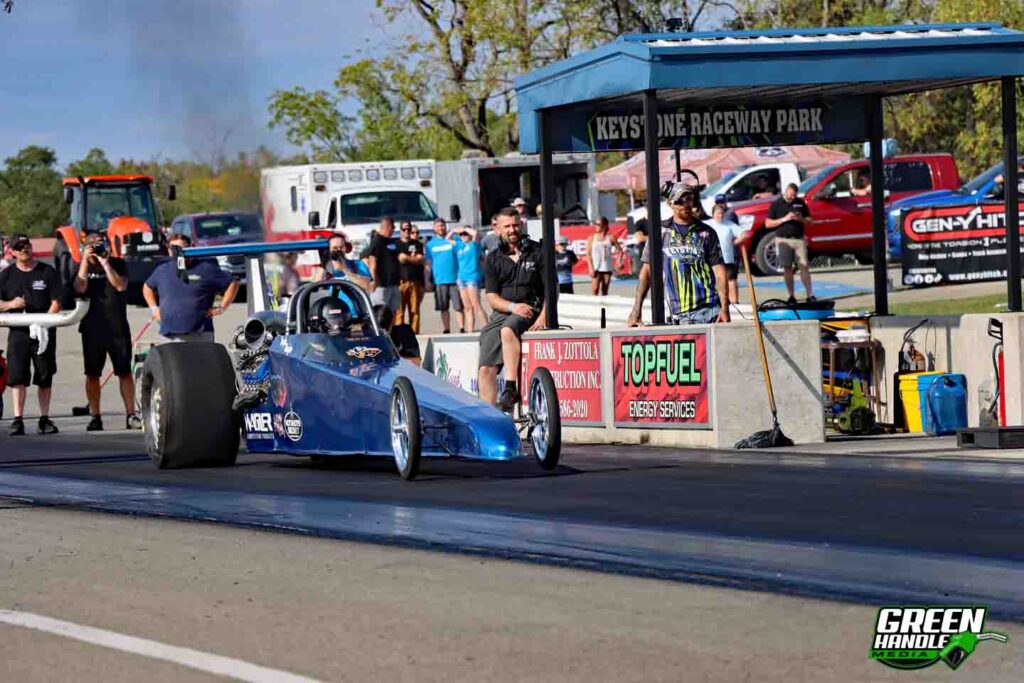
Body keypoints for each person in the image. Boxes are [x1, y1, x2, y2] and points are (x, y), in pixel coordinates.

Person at [627, 182, 730, 326]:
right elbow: (646, 272)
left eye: (689, 199)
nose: (686, 204)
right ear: (670, 203)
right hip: (681, 314)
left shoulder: (706, 232)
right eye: (681, 201)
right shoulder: (660, 232)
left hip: (711, 309)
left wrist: (725, 307)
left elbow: (720, 272)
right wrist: (636, 310)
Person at [478, 207, 546, 411]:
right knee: (485, 369)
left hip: (531, 308)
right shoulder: (493, 258)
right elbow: (491, 298)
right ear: (496, 228)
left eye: (516, 225)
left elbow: (552, 289)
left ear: (522, 224)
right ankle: (489, 421)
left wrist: (543, 317)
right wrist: (512, 306)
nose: (512, 230)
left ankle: (510, 388)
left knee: (508, 330)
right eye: (507, 226)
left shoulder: (538, 251)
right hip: (506, 310)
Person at [73, 230, 140, 431]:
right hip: (92, 328)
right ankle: (95, 416)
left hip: (117, 327)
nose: (96, 248)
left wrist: (104, 262)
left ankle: (130, 414)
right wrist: (85, 261)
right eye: (92, 245)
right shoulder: (81, 267)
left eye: (100, 244)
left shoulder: (118, 263)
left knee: (124, 372)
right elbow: (79, 288)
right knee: (92, 374)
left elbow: (120, 286)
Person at [0, 234, 62, 435]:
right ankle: (18, 419)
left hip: (43, 332)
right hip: (18, 332)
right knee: (17, 376)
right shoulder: (6, 275)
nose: (24, 250)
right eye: (19, 247)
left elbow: (56, 301)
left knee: (44, 375)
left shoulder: (47, 272)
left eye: (26, 246)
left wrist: (45, 322)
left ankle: (44, 418)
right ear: (12, 252)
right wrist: (10, 304)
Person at [143, 233, 240, 342]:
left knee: (201, 359)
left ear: (191, 247)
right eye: (174, 249)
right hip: (169, 335)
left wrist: (221, 307)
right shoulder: (162, 270)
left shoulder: (206, 268)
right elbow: (147, 287)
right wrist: (154, 309)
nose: (178, 252)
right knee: (171, 359)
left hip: (200, 334)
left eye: (182, 248)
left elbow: (232, 283)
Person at [766, 183, 815, 303]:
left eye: (795, 195)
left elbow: (810, 220)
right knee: (787, 267)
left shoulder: (800, 202)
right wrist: (785, 219)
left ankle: (810, 294)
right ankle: (791, 295)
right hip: (783, 239)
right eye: (791, 194)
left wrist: (800, 219)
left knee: (804, 266)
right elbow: (767, 223)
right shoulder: (776, 204)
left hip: (798, 239)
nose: (793, 197)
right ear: (786, 191)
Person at [424, 218, 464, 334]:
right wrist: (427, 280)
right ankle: (446, 328)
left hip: (454, 278)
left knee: (458, 306)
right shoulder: (430, 245)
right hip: (439, 280)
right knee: (443, 307)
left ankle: (462, 328)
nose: (441, 228)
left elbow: (462, 255)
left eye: (442, 225)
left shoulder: (453, 240)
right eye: (438, 226)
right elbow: (428, 263)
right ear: (434, 228)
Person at [360, 216, 401, 319]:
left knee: (393, 312)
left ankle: (391, 333)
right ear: (387, 227)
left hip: (393, 284)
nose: (393, 230)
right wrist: (373, 280)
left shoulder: (391, 242)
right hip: (381, 285)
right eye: (393, 227)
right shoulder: (377, 241)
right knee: (380, 312)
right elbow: (372, 261)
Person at [707, 204, 742, 306]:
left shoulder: (729, 224)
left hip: (727, 257)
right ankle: (717, 301)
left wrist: (735, 242)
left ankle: (734, 301)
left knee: (731, 279)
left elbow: (743, 233)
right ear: (713, 214)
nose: (720, 216)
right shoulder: (708, 224)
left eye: (722, 214)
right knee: (716, 280)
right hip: (712, 258)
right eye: (718, 214)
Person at [453, 226, 487, 332]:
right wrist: (455, 231)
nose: (463, 236)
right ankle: (470, 331)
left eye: (465, 234)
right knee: (467, 307)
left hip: (472, 277)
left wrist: (464, 229)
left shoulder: (474, 245)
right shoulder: (459, 245)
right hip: (461, 278)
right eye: (461, 234)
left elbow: (476, 233)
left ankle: (487, 329)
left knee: (476, 305)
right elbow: (447, 239)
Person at [396, 221, 425, 333]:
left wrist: (406, 258)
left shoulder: (417, 244)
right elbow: (398, 259)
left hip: (414, 281)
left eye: (409, 229)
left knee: (414, 311)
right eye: (404, 229)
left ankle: (414, 335)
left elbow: (419, 259)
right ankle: (399, 335)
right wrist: (412, 258)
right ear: (400, 231)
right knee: (400, 312)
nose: (407, 231)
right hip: (400, 281)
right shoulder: (396, 244)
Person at [585, 217, 623, 296]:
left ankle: (604, 307)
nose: (596, 226)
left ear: (605, 226)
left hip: (607, 267)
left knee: (605, 291)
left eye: (598, 224)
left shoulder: (611, 238)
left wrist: (618, 262)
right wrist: (590, 267)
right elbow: (588, 254)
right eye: (595, 224)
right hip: (596, 268)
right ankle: (595, 307)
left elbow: (620, 251)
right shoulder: (592, 238)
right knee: (595, 290)